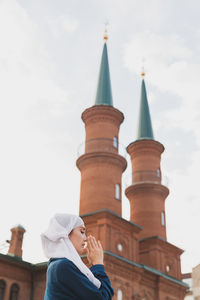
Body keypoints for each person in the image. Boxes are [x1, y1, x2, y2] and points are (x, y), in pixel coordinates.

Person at [41, 213, 114, 300]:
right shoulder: (63, 266)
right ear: (66, 234)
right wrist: (98, 264)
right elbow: (102, 297)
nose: (85, 238)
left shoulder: (57, 265)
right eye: (82, 231)